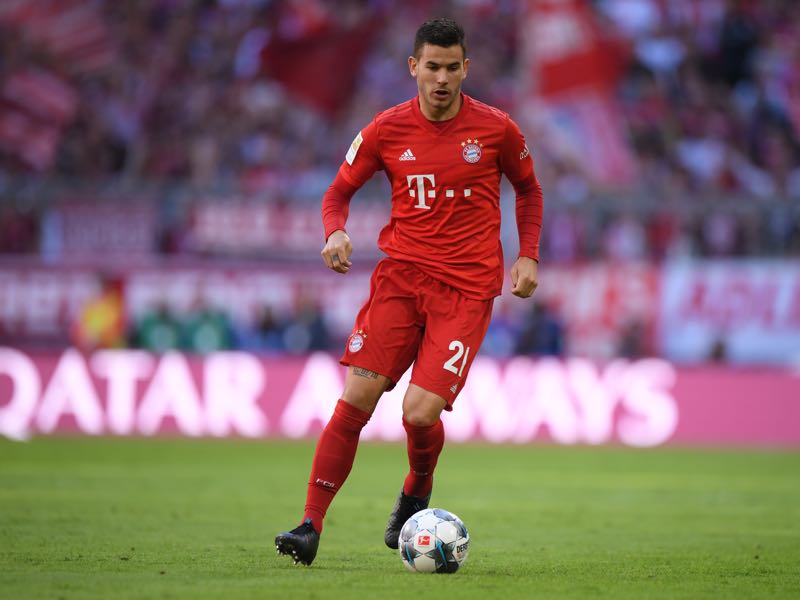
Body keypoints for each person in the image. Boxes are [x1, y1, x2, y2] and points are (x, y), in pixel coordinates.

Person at [275, 18, 544, 566]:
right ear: (413, 67)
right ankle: (309, 524)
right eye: (432, 67)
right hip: (400, 281)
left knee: (420, 414)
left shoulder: (496, 130)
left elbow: (529, 190)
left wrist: (528, 255)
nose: (441, 78)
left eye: (452, 68)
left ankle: (417, 489)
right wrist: (334, 231)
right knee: (356, 399)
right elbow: (337, 192)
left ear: (465, 68)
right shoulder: (385, 129)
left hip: (466, 290)